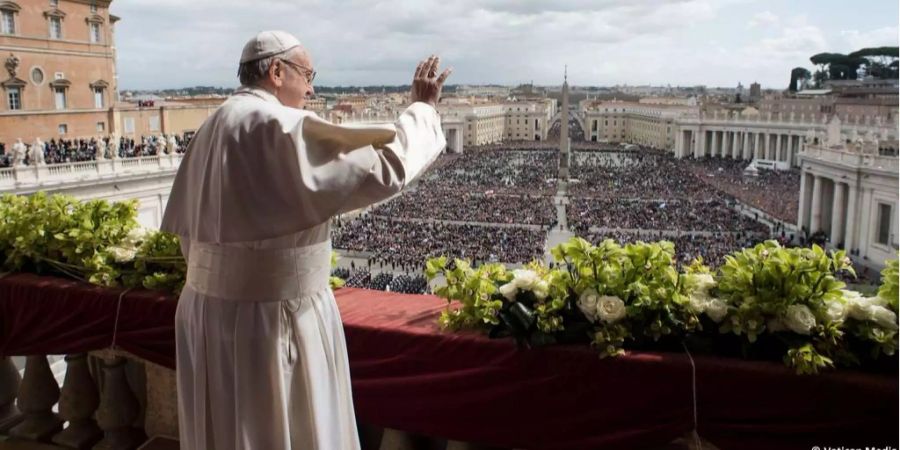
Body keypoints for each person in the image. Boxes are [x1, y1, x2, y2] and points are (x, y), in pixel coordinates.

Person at [160, 30, 451, 450]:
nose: (312, 88)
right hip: (275, 317)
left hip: (206, 311)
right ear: (277, 71)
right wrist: (422, 109)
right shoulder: (275, 124)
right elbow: (384, 168)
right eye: (308, 74)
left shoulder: (212, 125)